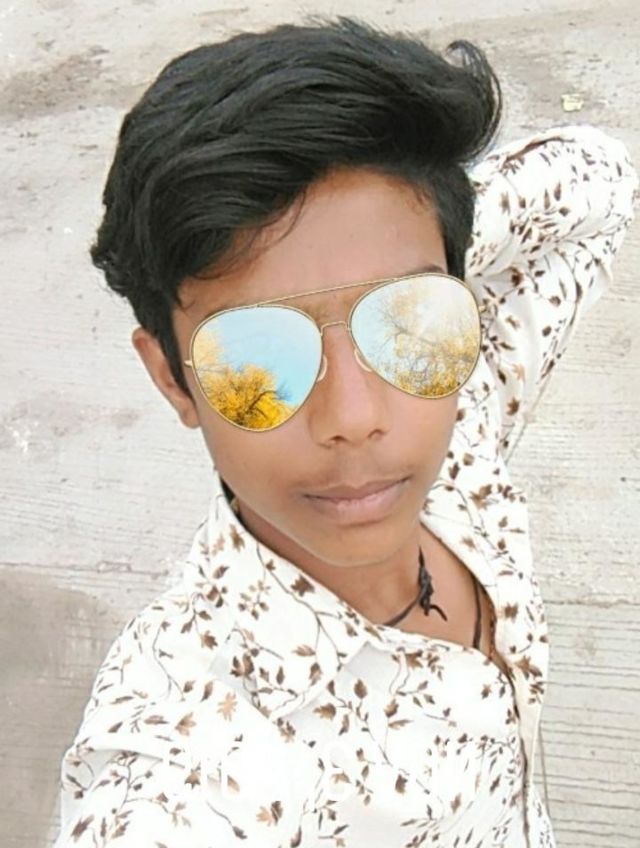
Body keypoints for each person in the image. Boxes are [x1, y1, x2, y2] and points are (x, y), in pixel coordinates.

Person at [51, 16, 637, 848]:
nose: (355, 416)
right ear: (171, 377)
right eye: (257, 356)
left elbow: (598, 180)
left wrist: (424, 247)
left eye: (410, 320)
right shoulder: (191, 770)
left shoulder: (467, 425)